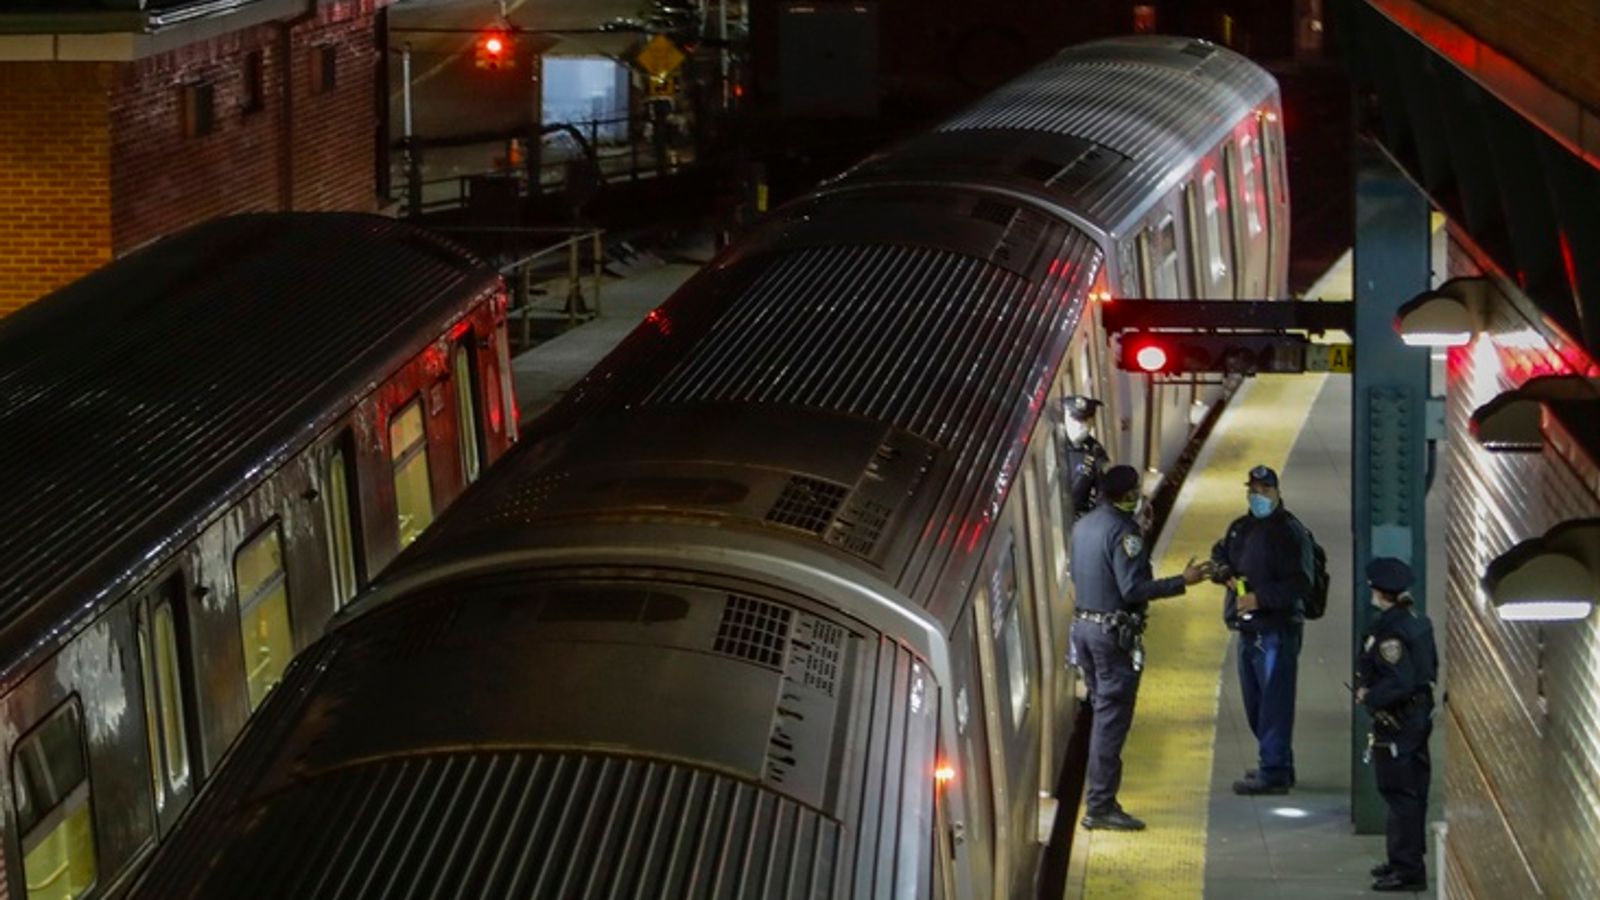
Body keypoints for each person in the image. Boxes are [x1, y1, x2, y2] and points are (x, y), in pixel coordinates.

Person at [1072, 464, 1209, 831]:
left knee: (1102, 712)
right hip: (1111, 637)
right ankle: (1100, 806)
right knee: (1111, 721)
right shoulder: (1124, 532)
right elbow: (1132, 589)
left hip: (1084, 629)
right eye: (1137, 490)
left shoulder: (1083, 526)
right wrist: (1184, 580)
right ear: (1128, 495)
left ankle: (1099, 800)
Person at [1209, 464, 1315, 794]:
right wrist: (1223, 570)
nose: (1257, 497)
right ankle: (1277, 761)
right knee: (1256, 702)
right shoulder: (1241, 527)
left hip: (1277, 631)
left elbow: (1302, 583)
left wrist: (1259, 599)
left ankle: (1274, 770)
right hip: (1248, 631)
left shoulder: (1290, 533)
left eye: (1264, 491)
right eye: (1253, 491)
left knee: (1274, 702)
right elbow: (1220, 551)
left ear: (1277, 492)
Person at [1356, 557, 1437, 893]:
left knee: (1400, 792)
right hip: (1416, 717)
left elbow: (1399, 680)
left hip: (1400, 721)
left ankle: (1407, 869)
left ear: (1378, 591)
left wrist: (1369, 695)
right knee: (1409, 791)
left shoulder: (1391, 631)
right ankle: (1403, 858)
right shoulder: (1416, 620)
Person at [1060, 395, 1109, 520]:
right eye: (1075, 420)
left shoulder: (1095, 452)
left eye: (1085, 421)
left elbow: (1103, 494)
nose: (1080, 426)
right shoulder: (1053, 445)